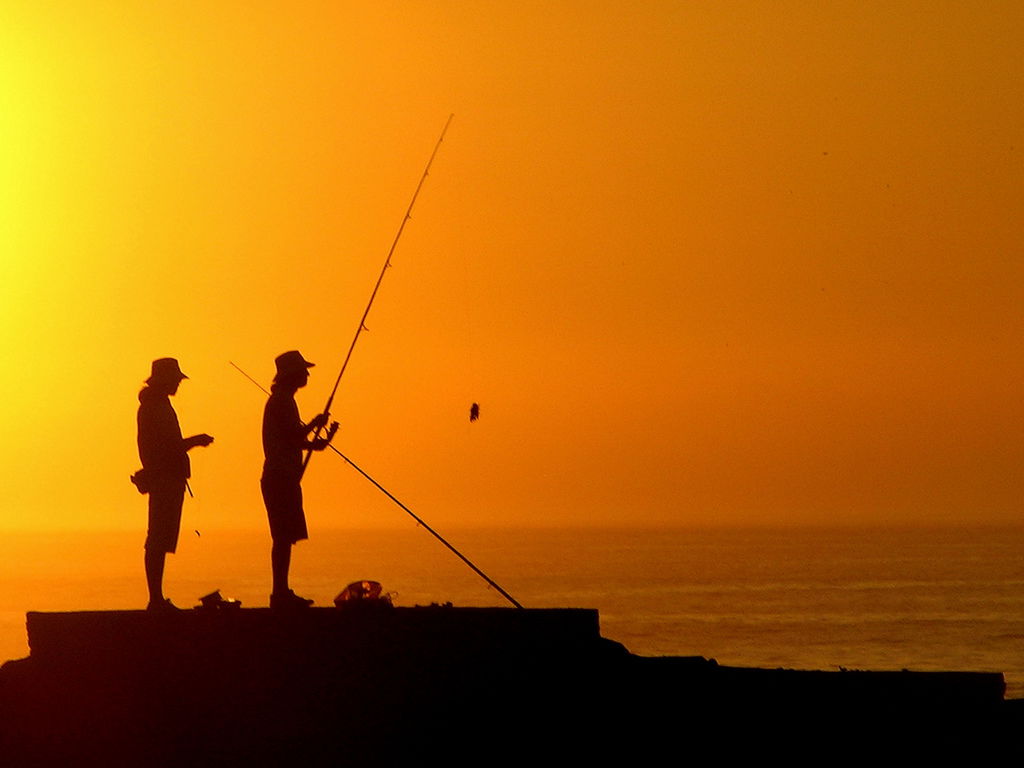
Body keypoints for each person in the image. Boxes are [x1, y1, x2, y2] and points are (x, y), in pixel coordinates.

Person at [261, 350, 338, 608]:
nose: (306, 374)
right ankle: (279, 593)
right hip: (280, 478)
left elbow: (292, 440)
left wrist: (321, 441)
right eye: (303, 370)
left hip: (285, 477)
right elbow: (294, 435)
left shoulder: (285, 400)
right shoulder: (281, 401)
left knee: (285, 537)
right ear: (290, 375)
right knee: (282, 537)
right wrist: (316, 422)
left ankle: (281, 591)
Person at [137, 358, 214, 611]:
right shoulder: (154, 407)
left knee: (161, 538)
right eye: (176, 379)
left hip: (167, 478)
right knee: (158, 539)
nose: (178, 384)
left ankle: (156, 598)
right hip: (164, 479)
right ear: (164, 380)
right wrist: (196, 440)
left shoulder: (157, 405)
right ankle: (155, 599)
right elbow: (166, 447)